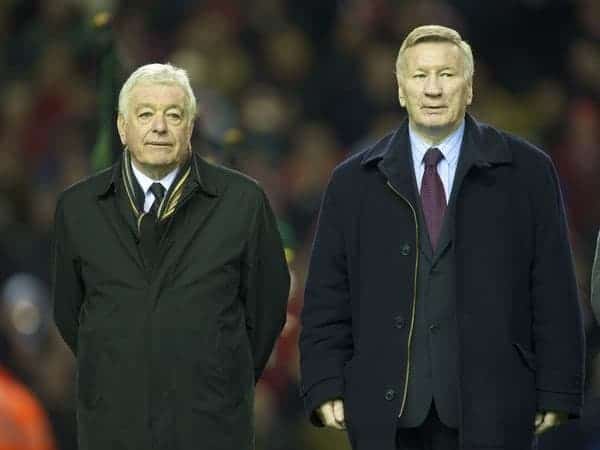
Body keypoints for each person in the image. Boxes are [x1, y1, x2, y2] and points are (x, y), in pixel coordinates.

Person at [299, 25, 584, 450]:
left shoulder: (527, 172)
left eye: (447, 75)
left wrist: (558, 388)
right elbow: (326, 297)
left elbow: (554, 289)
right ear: (400, 90)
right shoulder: (352, 182)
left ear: (469, 88)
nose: (433, 89)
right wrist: (323, 382)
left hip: (496, 405)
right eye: (420, 76)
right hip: (386, 412)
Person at [52, 63, 290, 450]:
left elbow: (266, 312)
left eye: (173, 115)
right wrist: (128, 360)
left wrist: (217, 375)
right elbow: (70, 313)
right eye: (145, 114)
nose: (159, 127)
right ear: (121, 127)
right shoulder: (78, 209)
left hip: (211, 428)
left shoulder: (243, 202)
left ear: (191, 126)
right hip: (113, 428)